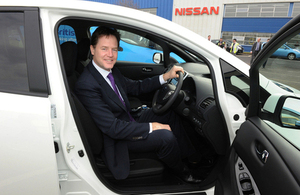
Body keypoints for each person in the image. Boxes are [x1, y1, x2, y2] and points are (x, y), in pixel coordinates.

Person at [74, 26, 202, 183]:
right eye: (104, 49)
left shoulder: (110, 72)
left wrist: (165, 76)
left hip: (128, 119)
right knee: (165, 137)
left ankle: (190, 158)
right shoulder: (87, 84)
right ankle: (182, 172)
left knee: (169, 114)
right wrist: (151, 127)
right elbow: (113, 128)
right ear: (92, 49)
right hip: (116, 138)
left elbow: (136, 86)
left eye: (114, 49)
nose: (110, 55)